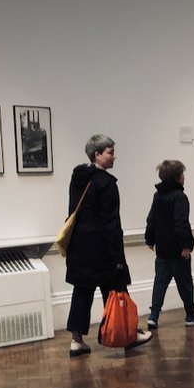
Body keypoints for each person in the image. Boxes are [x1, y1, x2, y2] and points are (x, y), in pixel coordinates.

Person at [64, 133, 151, 358]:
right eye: (110, 152)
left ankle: (76, 341)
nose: (115, 157)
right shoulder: (106, 183)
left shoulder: (78, 177)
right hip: (102, 250)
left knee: (81, 292)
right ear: (97, 154)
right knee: (116, 290)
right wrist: (119, 258)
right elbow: (112, 224)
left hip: (80, 248)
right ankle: (127, 335)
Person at [144, 159, 194, 329]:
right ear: (177, 177)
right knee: (185, 283)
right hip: (178, 251)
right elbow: (181, 223)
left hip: (162, 249)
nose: (184, 177)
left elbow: (151, 220)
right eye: (182, 174)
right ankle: (190, 314)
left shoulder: (158, 196)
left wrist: (149, 239)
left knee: (160, 283)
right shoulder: (180, 197)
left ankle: (153, 316)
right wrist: (186, 245)